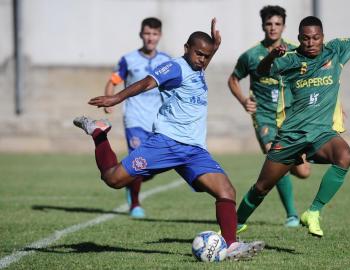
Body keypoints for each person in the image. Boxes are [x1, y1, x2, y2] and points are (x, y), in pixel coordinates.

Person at [74, 19, 264, 260]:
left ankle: (232, 245)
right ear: (186, 48)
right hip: (166, 144)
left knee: (226, 191)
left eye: (207, 56)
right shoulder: (175, 67)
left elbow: (203, 55)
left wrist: (215, 46)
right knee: (113, 179)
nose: (202, 59)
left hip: (194, 150)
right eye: (198, 54)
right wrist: (117, 98)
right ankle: (99, 134)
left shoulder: (199, 66)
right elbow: (146, 83)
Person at [244, 16, 350, 237]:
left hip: (321, 134)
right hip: (291, 135)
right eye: (306, 39)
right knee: (262, 187)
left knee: (345, 156)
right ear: (299, 39)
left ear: (323, 37)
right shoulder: (290, 59)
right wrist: (272, 56)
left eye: (316, 38)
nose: (311, 43)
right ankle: (236, 221)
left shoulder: (336, 50)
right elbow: (262, 71)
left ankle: (313, 212)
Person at [228, 5, 310, 231]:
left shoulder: (296, 51)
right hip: (263, 117)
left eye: (277, 24)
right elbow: (233, 80)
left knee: (303, 172)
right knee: (277, 157)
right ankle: (292, 215)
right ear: (263, 25)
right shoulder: (251, 55)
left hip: (290, 117)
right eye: (268, 24)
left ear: (284, 26)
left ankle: (292, 163)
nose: (273, 28)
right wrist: (244, 100)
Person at [103, 17, 171, 218]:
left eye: (154, 34)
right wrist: (109, 101)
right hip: (134, 118)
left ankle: (128, 181)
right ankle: (135, 204)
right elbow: (113, 81)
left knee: (152, 165)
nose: (150, 38)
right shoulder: (129, 59)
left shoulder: (167, 60)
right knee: (138, 159)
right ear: (141, 34)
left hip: (158, 120)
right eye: (147, 33)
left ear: (160, 36)